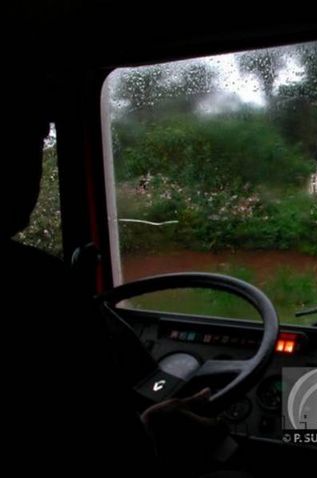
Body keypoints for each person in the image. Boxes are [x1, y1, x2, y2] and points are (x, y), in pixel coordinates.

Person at [1, 83, 226, 478]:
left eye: (37, 140)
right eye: (31, 138)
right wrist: (154, 430)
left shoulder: (43, 282)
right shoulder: (40, 287)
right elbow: (106, 453)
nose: (31, 165)